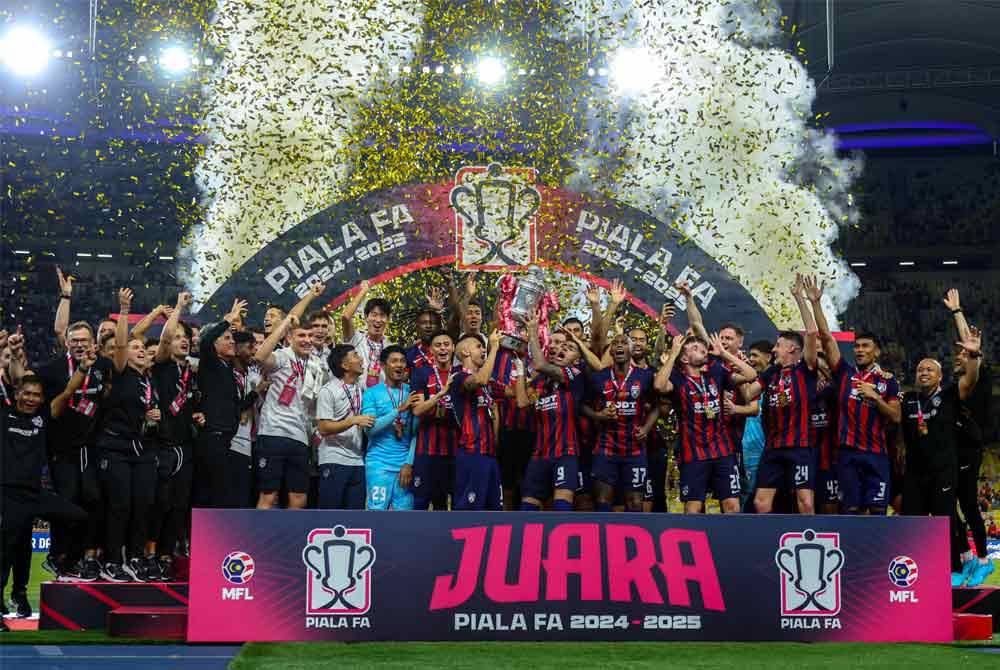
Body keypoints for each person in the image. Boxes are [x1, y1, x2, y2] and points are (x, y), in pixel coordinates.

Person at [805, 275, 901, 516]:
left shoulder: (887, 381)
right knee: (851, 510)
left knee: (878, 510)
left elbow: (896, 417)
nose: (859, 350)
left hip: (877, 454)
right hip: (847, 454)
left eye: (865, 346)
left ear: (876, 351)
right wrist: (816, 303)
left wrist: (876, 398)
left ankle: (877, 554)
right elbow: (826, 338)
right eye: (857, 346)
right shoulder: (845, 374)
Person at [2, 374, 89, 624]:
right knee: (9, 550)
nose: (31, 399)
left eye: (36, 395)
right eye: (26, 393)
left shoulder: (44, 418)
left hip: (35, 494)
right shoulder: (3, 415)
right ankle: (16, 596)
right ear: (16, 393)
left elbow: (69, 390)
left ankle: (59, 559)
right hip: (8, 494)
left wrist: (82, 368)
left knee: (79, 517)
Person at [28, 319, 110, 582]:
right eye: (74, 340)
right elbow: (51, 411)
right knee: (68, 502)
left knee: (93, 500)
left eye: (84, 340)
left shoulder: (102, 367)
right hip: (61, 450)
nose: (79, 345)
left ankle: (81, 558)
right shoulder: (51, 370)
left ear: (93, 343)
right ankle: (58, 556)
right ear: (66, 342)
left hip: (91, 448)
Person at [900, 327, 982, 580]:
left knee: (945, 522)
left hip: (943, 472)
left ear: (939, 376)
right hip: (914, 473)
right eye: (920, 370)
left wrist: (974, 355)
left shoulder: (949, 395)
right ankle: (914, 573)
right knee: (912, 524)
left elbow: (971, 379)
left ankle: (953, 571)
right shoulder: (908, 399)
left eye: (929, 370)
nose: (923, 373)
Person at [98, 288, 161, 582]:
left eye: (141, 348)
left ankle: (134, 557)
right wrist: (123, 310)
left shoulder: (149, 381)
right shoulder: (121, 371)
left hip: (143, 448)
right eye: (134, 347)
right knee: (120, 504)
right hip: (117, 446)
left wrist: (152, 418)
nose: (138, 349)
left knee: (143, 505)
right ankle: (112, 559)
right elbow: (122, 343)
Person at [655, 333, 757, 514]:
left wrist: (724, 354)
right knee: (693, 508)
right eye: (695, 349)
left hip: (722, 451)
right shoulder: (677, 379)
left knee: (732, 506)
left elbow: (751, 374)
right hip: (693, 454)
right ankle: (694, 542)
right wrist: (673, 353)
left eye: (704, 350)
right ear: (684, 357)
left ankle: (732, 542)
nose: (702, 352)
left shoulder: (716, 372)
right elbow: (659, 386)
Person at [744, 276, 820, 514]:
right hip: (774, 448)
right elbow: (748, 395)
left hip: (800, 447)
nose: (774, 349)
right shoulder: (770, 375)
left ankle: (811, 542)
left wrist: (800, 298)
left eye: (778, 345)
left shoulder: (805, 369)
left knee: (805, 502)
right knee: (760, 503)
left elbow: (811, 332)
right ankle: (764, 545)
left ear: (792, 349)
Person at [254, 287, 326, 510]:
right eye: (301, 335)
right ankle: (258, 543)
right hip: (273, 432)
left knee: (299, 498)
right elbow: (259, 356)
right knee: (269, 496)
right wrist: (286, 322)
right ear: (289, 338)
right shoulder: (283, 357)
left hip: (300, 438)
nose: (306, 340)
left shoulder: (315, 364)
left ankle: (289, 544)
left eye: (309, 336)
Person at [148, 292, 203, 578]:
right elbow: (165, 340)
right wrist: (179, 308)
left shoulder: (191, 372)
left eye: (187, 337)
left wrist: (197, 414)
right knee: (160, 503)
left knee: (180, 506)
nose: (183, 340)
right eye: (179, 336)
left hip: (185, 447)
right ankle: (149, 553)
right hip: (163, 446)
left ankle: (167, 555)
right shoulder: (162, 365)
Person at [943, 289, 993, 586]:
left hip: (968, 450)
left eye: (966, 353)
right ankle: (965, 557)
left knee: (969, 504)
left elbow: (971, 347)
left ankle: (984, 560)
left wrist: (957, 312)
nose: (960, 354)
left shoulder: (978, 377)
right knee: (948, 506)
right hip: (951, 450)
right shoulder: (954, 384)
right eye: (958, 352)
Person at [514, 311, 586, 512]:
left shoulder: (574, 374)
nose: (562, 349)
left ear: (576, 358)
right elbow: (521, 402)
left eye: (569, 348)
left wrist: (533, 330)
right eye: (560, 346)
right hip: (539, 454)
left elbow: (539, 363)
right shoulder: (540, 380)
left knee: (561, 508)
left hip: (565, 453)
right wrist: (520, 371)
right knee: (527, 507)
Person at [587, 334, 661, 512]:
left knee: (635, 502)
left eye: (624, 343)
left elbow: (657, 407)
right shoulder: (598, 377)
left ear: (630, 350)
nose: (619, 346)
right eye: (615, 343)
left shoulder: (645, 376)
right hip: (606, 448)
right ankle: (605, 539)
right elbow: (582, 406)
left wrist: (646, 428)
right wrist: (599, 415)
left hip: (635, 449)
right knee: (603, 500)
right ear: (610, 351)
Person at [194, 299, 246, 508]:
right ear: (213, 344)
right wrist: (228, 319)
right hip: (212, 437)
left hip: (224, 438)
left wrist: (257, 392)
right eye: (226, 338)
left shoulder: (226, 369)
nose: (232, 341)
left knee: (221, 493)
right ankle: (204, 538)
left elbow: (234, 405)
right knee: (215, 494)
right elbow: (204, 342)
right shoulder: (210, 363)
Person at [361, 346, 421, 510]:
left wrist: (409, 463)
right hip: (378, 464)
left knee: (405, 517)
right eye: (394, 361)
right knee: (377, 513)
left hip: (404, 466)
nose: (399, 365)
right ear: (383, 365)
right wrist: (399, 410)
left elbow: (417, 433)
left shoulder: (412, 392)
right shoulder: (371, 393)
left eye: (402, 361)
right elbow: (370, 430)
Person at [450, 331, 503, 511]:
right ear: (465, 352)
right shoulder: (458, 378)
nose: (484, 350)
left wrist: (518, 366)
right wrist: (494, 348)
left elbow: (519, 397)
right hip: (472, 453)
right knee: (469, 511)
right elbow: (479, 379)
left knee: (494, 511)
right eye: (479, 347)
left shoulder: (488, 386)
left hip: (490, 456)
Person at [316, 344, 372, 509]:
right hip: (334, 458)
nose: (361, 359)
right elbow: (324, 428)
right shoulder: (328, 390)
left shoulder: (362, 389)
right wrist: (353, 420)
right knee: (330, 514)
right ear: (344, 365)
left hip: (357, 461)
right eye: (355, 355)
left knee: (355, 518)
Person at [410, 332, 457, 511]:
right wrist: (440, 395)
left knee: (444, 504)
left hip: (454, 449)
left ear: (453, 348)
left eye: (447, 344)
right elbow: (417, 409)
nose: (443, 348)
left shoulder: (460, 374)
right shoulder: (422, 373)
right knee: (420, 502)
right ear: (431, 350)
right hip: (427, 449)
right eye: (438, 345)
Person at [229, 331, 265, 508]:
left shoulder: (251, 375)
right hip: (231, 441)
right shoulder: (226, 374)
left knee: (246, 495)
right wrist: (255, 392)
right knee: (233, 494)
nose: (254, 352)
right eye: (250, 347)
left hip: (249, 441)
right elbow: (231, 407)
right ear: (236, 348)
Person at [340, 280, 393, 387]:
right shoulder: (355, 339)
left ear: (388, 319)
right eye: (374, 315)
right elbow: (346, 316)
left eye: (382, 315)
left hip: (381, 400)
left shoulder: (390, 347)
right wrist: (363, 291)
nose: (378, 320)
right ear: (366, 317)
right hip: (356, 399)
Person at [740, 340, 772, 511]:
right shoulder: (749, 384)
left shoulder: (776, 383)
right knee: (746, 497)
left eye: (755, 355)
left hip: (768, 450)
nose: (751, 359)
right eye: (750, 355)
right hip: (748, 451)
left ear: (769, 357)